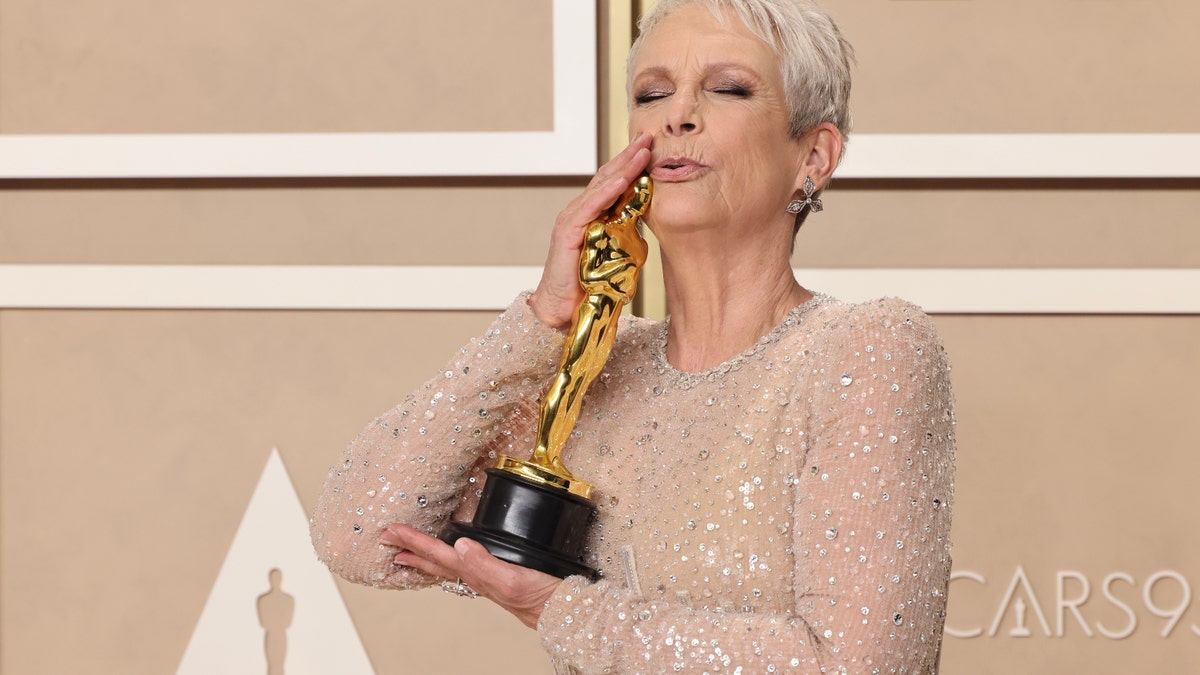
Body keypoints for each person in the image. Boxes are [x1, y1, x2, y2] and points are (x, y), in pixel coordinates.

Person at [310, 0, 955, 673]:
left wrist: (557, 609)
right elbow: (357, 534)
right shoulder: (598, 373)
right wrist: (541, 319)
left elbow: (865, 665)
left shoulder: (866, 348)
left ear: (814, 155)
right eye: (653, 93)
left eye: (727, 88)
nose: (677, 115)